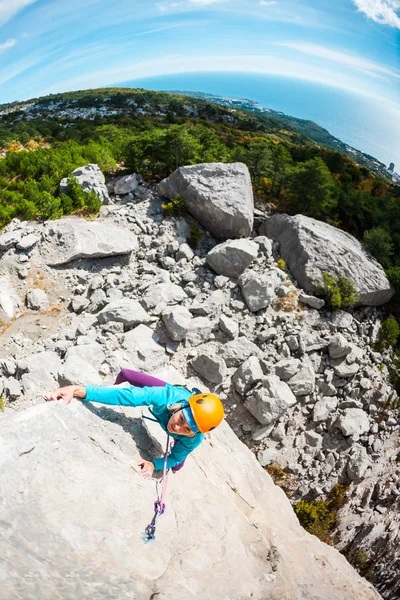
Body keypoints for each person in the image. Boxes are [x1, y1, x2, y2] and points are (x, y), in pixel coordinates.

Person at [45, 368, 224, 479]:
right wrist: (77, 390)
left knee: (176, 464)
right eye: (181, 419)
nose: (177, 428)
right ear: (180, 406)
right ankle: (108, 386)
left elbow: (176, 457)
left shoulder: (193, 438)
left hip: (183, 430)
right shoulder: (165, 397)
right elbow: (125, 396)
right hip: (172, 394)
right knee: (126, 374)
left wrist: (155, 464)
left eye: (187, 429)